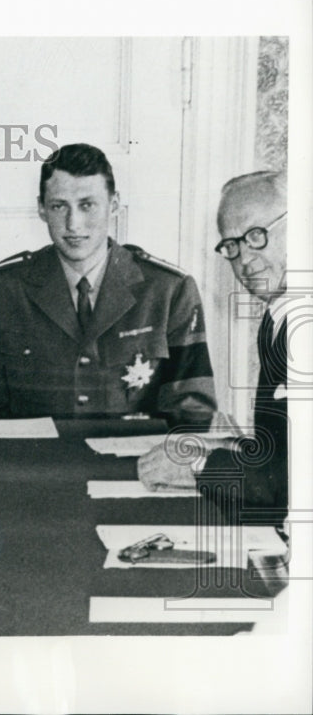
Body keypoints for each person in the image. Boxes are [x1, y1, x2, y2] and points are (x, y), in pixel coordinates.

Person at [0, 143, 217, 427]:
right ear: (41, 208)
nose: (73, 224)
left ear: (113, 206)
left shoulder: (169, 291)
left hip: (135, 467)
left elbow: (193, 411)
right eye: (58, 206)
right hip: (34, 467)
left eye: (87, 205)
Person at [138, 171, 288, 526]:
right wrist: (216, 448)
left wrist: (198, 465)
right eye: (233, 246)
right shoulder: (277, 318)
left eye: (256, 236)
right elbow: (280, 454)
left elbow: (292, 487)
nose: (245, 260)